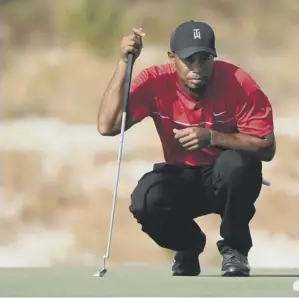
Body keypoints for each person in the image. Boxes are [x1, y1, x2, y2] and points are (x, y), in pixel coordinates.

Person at [97, 20, 276, 277]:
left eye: (204, 59)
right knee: (146, 200)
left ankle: (234, 250)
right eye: (188, 59)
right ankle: (188, 246)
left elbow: (267, 147)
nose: (197, 67)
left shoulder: (238, 82)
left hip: (226, 179)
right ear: (172, 58)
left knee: (238, 165)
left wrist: (212, 137)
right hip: (182, 178)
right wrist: (125, 64)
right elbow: (107, 125)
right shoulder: (154, 82)